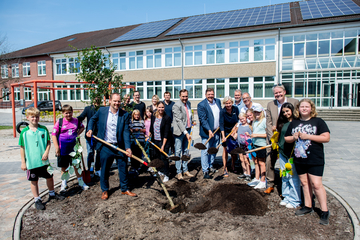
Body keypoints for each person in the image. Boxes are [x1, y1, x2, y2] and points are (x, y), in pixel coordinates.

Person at [285, 99, 330, 225]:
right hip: (299, 158)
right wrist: (293, 137)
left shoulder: (318, 122)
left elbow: (326, 138)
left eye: (307, 107)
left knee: (316, 184)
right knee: (304, 183)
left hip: (315, 158)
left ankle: (324, 211)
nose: (304, 109)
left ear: (311, 109)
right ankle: (308, 206)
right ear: (298, 109)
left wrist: (308, 136)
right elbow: (286, 138)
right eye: (302, 107)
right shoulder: (294, 123)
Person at [86, 93, 137, 200]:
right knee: (104, 169)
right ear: (110, 100)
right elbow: (92, 119)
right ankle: (105, 190)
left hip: (120, 147)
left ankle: (124, 189)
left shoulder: (124, 114)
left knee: (123, 168)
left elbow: (126, 132)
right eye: (115, 101)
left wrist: (128, 147)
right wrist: (90, 129)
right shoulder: (102, 111)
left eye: (118, 101)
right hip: (106, 146)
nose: (117, 103)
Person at [19, 107, 64, 210]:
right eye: (32, 117)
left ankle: (52, 193)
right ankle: (37, 199)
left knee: (49, 177)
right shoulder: (24, 132)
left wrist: (46, 152)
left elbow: (48, 142)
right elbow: (22, 147)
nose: (35, 119)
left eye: (37, 117)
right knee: (34, 181)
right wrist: (23, 162)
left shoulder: (43, 129)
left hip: (44, 161)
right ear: (27, 118)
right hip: (31, 162)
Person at [264, 84, 299, 194]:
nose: (278, 95)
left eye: (279, 92)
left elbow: (298, 119)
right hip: (274, 139)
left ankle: (293, 185)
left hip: (289, 138)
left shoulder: (294, 102)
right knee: (269, 160)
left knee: (289, 162)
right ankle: (270, 184)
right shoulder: (270, 105)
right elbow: (268, 123)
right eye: (275, 93)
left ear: (284, 92)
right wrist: (272, 138)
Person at [52, 105, 89, 193]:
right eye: (66, 113)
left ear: (72, 112)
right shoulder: (60, 122)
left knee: (77, 165)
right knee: (64, 167)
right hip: (63, 148)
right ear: (63, 113)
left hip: (74, 148)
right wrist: (57, 148)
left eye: (70, 112)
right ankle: (64, 184)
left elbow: (82, 127)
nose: (68, 115)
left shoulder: (76, 121)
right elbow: (53, 135)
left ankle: (81, 182)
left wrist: (77, 134)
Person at [277, 103, 301, 209]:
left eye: (287, 111)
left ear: (292, 110)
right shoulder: (283, 123)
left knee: (293, 176)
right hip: (283, 152)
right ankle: (286, 197)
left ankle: (295, 199)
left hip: (292, 154)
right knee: (285, 176)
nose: (286, 113)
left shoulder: (297, 123)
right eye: (283, 112)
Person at [197, 88, 221, 179]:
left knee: (214, 149)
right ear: (206, 95)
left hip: (217, 131)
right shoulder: (201, 105)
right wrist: (209, 130)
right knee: (205, 151)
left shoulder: (217, 102)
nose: (211, 96)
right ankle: (205, 170)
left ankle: (210, 165)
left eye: (212, 94)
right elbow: (203, 119)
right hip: (207, 133)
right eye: (209, 94)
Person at [172, 89, 194, 180]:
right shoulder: (176, 105)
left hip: (188, 130)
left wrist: (192, 122)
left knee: (186, 151)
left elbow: (188, 116)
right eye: (183, 96)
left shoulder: (188, 103)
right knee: (178, 152)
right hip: (180, 132)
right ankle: (178, 172)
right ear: (180, 96)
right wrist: (185, 133)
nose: (185, 98)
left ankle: (185, 170)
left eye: (186, 96)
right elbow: (179, 120)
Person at [150, 101, 172, 182]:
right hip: (155, 140)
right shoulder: (153, 116)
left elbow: (166, 133)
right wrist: (148, 135)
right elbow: (151, 128)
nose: (161, 109)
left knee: (164, 157)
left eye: (162, 107)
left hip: (164, 141)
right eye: (159, 107)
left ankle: (166, 174)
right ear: (157, 107)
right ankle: (160, 171)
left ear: (164, 108)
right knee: (157, 157)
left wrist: (163, 145)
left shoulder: (167, 118)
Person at [78, 100, 101, 177]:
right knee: (90, 153)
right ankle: (91, 170)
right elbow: (81, 117)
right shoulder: (88, 109)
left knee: (99, 153)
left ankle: (98, 169)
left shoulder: (101, 109)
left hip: (99, 136)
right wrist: (74, 121)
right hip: (89, 135)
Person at [247, 105, 267, 189]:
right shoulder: (255, 121)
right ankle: (257, 178)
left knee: (262, 163)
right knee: (257, 162)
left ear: (262, 112)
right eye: (255, 112)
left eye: (258, 112)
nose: (257, 113)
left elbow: (268, 134)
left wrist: (256, 135)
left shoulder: (264, 121)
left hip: (262, 145)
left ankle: (263, 180)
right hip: (256, 144)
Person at [219, 96, 239, 177]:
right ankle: (225, 168)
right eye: (226, 103)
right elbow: (221, 124)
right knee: (225, 150)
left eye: (229, 103)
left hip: (234, 132)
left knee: (234, 151)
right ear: (224, 103)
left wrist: (235, 131)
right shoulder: (222, 111)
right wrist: (223, 136)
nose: (228, 105)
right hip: (226, 132)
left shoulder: (235, 109)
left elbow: (238, 121)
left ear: (232, 102)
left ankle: (233, 165)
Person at [234, 112, 252, 181]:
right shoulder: (240, 126)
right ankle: (244, 172)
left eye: (243, 119)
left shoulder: (249, 127)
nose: (242, 120)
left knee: (247, 160)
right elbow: (237, 134)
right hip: (240, 145)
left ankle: (248, 174)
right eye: (240, 119)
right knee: (242, 159)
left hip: (246, 146)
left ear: (246, 118)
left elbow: (251, 136)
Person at [129, 109, 146, 174]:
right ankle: (133, 166)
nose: (137, 116)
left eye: (138, 115)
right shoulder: (131, 121)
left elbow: (144, 129)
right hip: (133, 140)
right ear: (133, 115)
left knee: (139, 153)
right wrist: (133, 130)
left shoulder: (141, 121)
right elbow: (129, 129)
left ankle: (138, 166)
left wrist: (139, 130)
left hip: (140, 140)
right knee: (133, 153)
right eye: (135, 115)